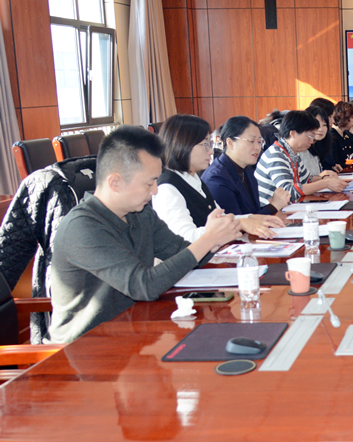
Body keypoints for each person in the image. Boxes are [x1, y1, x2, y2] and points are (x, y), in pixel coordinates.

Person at [48, 126, 242, 344]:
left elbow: (181, 252)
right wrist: (207, 240)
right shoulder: (82, 227)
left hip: (133, 331)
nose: (155, 190)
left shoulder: (140, 214)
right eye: (149, 183)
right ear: (115, 182)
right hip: (84, 348)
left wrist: (215, 240)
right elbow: (143, 285)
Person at [152, 115, 283, 242]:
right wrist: (241, 223)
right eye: (205, 144)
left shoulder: (193, 179)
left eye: (210, 144)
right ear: (183, 144)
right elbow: (185, 238)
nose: (211, 151)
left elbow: (223, 218)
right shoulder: (167, 188)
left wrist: (253, 219)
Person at [201, 116, 291, 216]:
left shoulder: (247, 171)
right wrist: (274, 206)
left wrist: (275, 208)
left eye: (260, 142)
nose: (257, 147)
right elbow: (236, 222)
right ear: (230, 143)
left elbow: (252, 213)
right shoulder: (217, 179)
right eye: (251, 141)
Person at [255, 109, 348, 205]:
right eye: (309, 136)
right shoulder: (276, 155)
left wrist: (324, 178)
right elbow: (288, 192)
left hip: (290, 207)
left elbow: (307, 179)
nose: (311, 141)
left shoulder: (293, 152)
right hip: (273, 211)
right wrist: (325, 183)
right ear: (293, 133)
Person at [328, 100, 353, 171]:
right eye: (352, 118)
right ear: (345, 118)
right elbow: (336, 163)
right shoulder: (332, 136)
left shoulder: (346, 134)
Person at [302, 104, 333, 175]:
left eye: (324, 125)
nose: (321, 129)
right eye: (317, 124)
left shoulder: (320, 145)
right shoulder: (301, 149)